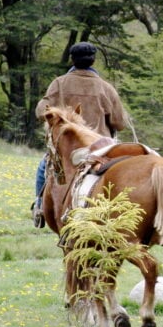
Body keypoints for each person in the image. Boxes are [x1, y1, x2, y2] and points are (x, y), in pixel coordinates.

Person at [32, 41, 130, 228]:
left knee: (43, 168)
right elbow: (119, 123)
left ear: (72, 59)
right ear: (93, 60)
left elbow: (40, 111)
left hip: (68, 150)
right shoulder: (106, 88)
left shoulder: (59, 83)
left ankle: (39, 208)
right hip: (101, 149)